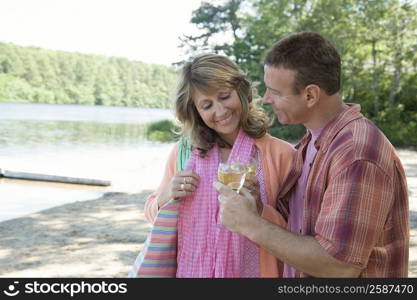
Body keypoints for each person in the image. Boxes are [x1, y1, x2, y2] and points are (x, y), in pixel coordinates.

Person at [215, 32, 409, 277]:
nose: (265, 99)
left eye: (274, 91)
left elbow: (339, 265)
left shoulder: (356, 154)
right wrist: (257, 208)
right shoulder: (311, 143)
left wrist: (250, 225)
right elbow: (300, 231)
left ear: (310, 95)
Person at [143, 53, 295, 277]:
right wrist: (167, 195)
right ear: (196, 112)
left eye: (225, 96)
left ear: (241, 91)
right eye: (207, 105)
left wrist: (260, 210)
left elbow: (297, 232)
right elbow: (151, 212)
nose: (220, 111)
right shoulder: (184, 153)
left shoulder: (282, 155)